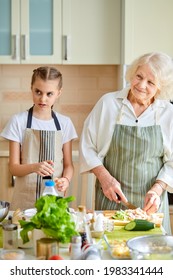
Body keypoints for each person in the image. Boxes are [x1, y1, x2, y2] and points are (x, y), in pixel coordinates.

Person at [79, 52, 173, 234]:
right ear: (132, 73)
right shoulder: (108, 103)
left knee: (152, 256)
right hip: (109, 202)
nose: (141, 85)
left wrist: (157, 188)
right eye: (139, 76)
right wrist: (104, 178)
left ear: (161, 87)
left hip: (151, 209)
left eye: (151, 82)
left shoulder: (168, 113)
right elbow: (87, 146)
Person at [1, 66, 77, 210]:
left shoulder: (65, 123)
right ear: (31, 89)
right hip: (24, 202)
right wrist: (34, 167)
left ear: (58, 93)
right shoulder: (18, 121)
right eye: (38, 92)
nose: (43, 98)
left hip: (54, 202)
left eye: (49, 94)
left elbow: (68, 165)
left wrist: (66, 180)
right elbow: (13, 168)